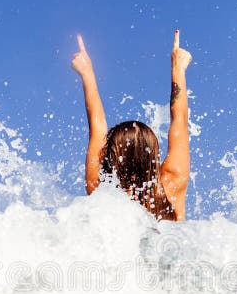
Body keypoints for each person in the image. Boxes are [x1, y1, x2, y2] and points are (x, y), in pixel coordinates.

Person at [71, 30, 193, 221]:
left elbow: (97, 126)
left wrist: (87, 73)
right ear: (153, 154)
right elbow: (180, 121)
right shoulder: (172, 182)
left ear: (110, 155)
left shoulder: (101, 191)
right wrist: (178, 68)